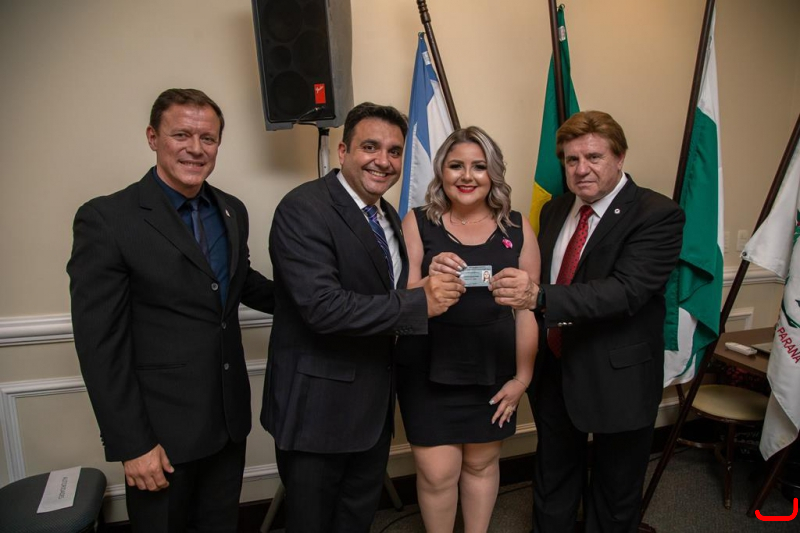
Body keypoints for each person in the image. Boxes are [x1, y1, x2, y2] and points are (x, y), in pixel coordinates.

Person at [68, 88, 274, 533]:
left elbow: (239, 282)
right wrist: (132, 444)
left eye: (208, 138)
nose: (196, 148)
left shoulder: (231, 210)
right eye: (182, 135)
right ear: (153, 137)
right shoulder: (108, 219)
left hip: (227, 423)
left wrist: (318, 298)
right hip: (159, 437)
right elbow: (100, 346)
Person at [261, 102, 465, 533]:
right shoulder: (304, 208)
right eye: (370, 147)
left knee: (357, 520)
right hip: (318, 412)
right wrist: (419, 303)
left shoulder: (386, 215)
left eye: (394, 151)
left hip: (372, 411)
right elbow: (323, 307)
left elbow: (383, 294)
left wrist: (429, 281)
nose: (383, 161)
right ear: (343, 151)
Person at [485, 111, 685, 532]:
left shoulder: (657, 213)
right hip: (555, 366)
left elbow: (626, 291)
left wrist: (540, 296)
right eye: (571, 160)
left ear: (620, 157)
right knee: (553, 475)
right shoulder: (556, 209)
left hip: (619, 373)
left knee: (616, 489)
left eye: (594, 157)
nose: (581, 169)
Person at [398, 126, 539, 532]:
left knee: (481, 464)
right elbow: (400, 299)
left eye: (479, 166)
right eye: (456, 165)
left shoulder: (517, 227)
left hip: (491, 369)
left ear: (493, 172)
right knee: (437, 474)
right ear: (441, 171)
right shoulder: (418, 222)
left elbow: (528, 310)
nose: (467, 176)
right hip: (427, 368)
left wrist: (522, 378)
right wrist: (429, 281)